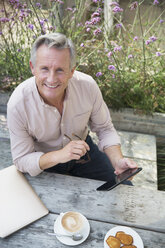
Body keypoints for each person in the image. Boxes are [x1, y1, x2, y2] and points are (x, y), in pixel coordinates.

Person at [7, 32, 137, 182]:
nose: (51, 79)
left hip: (84, 151)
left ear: (72, 71)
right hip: (43, 160)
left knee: (123, 190)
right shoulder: (18, 104)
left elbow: (104, 128)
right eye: (44, 69)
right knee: (47, 206)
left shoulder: (87, 86)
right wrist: (60, 155)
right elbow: (22, 159)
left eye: (60, 70)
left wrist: (117, 161)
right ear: (32, 67)